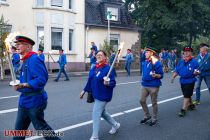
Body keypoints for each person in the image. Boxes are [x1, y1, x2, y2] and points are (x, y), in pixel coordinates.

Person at [13, 35, 60, 140]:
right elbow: (26, 78)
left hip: (35, 101)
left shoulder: (34, 59)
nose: (17, 46)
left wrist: (24, 85)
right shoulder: (25, 60)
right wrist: (18, 85)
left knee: (42, 129)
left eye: (19, 44)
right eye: (16, 44)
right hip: (24, 101)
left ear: (28, 47)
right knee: (18, 132)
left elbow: (41, 79)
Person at [80, 50, 120, 140]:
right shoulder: (94, 67)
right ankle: (115, 125)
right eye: (97, 55)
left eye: (101, 55)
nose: (98, 56)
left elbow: (113, 83)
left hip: (104, 95)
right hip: (96, 94)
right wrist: (84, 90)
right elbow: (90, 80)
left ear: (105, 57)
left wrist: (108, 82)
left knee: (96, 113)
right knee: (103, 113)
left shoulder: (108, 69)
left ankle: (95, 137)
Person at [171, 46, 199, 117]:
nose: (186, 52)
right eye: (185, 51)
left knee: (186, 95)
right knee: (186, 94)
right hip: (182, 81)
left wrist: (197, 72)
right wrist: (173, 77)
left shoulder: (194, 61)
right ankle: (191, 105)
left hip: (190, 81)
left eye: (188, 51)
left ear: (191, 52)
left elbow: (198, 71)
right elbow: (177, 70)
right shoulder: (181, 61)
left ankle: (183, 110)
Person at [140, 46, 163, 126]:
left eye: (147, 52)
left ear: (151, 53)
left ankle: (154, 118)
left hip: (154, 85)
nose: (145, 53)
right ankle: (147, 115)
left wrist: (156, 75)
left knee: (154, 103)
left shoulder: (157, 63)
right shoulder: (146, 62)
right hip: (145, 84)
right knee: (142, 101)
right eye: (145, 52)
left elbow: (161, 75)